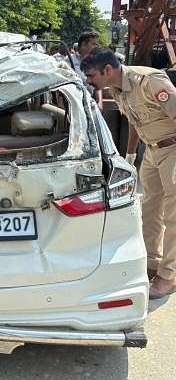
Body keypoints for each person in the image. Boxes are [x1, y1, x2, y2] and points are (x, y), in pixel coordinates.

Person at [81, 47, 176, 299]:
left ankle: (168, 276)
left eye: (91, 76)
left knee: (173, 214)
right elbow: (135, 122)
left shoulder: (149, 81)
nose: (90, 82)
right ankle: (153, 262)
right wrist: (130, 156)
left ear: (107, 70)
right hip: (153, 151)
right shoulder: (117, 88)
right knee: (150, 209)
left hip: (172, 149)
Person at [71, 31, 103, 107]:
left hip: (90, 102)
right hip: (75, 103)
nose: (96, 47)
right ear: (84, 45)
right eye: (94, 44)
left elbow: (97, 85)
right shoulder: (69, 61)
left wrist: (100, 102)